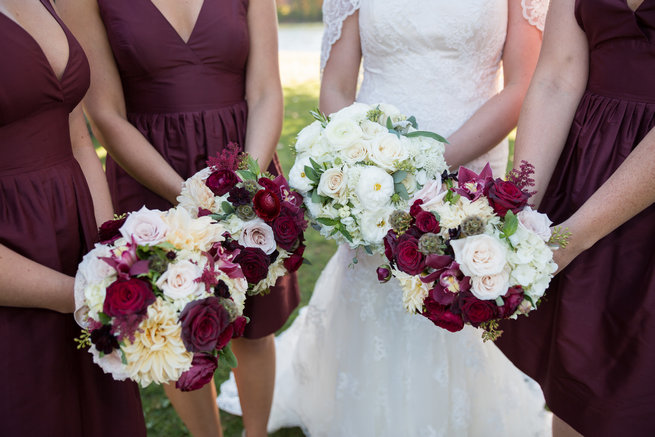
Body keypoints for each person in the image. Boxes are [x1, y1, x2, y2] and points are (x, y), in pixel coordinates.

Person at [218, 0, 553, 435]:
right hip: (374, 177)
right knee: (379, 290)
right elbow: (336, 87)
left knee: (455, 287)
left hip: (467, 169)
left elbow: (522, 86)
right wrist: (367, 166)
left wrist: (430, 162)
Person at [57, 1, 299, 436]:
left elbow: (265, 90)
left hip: (246, 163)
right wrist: (189, 198)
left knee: (254, 328)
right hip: (150, 176)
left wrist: (241, 187)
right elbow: (106, 115)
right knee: (171, 331)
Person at [495, 0, 655, 435]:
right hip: (583, 177)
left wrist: (571, 238)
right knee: (576, 394)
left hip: (630, 198)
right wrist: (517, 216)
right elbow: (556, 78)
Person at [0, 0, 146, 435]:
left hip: (79, 242)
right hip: (19, 267)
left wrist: (109, 261)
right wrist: (81, 296)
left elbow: (79, 139)